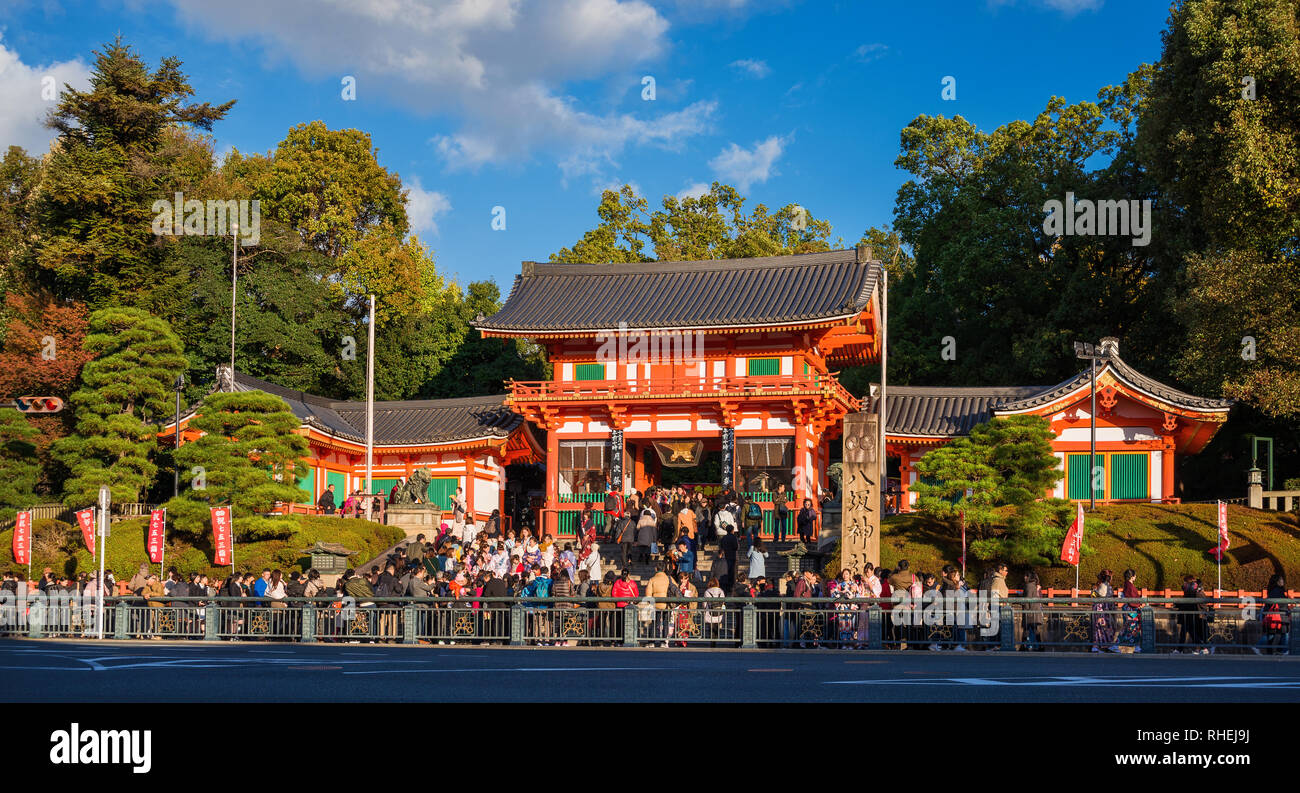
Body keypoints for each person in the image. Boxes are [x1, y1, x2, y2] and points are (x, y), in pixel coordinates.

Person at [1257, 573, 1288, 655]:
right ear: (1277, 581)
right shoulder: (1278, 591)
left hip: (1273, 615)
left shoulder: (1273, 590)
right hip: (1278, 615)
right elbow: (1282, 604)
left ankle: (1273, 651)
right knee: (1282, 634)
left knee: (1273, 634)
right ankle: (1281, 651)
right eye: (1281, 579)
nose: (1283, 581)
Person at [1090, 569, 1118, 653]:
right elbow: (1104, 597)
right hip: (1103, 609)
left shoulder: (1101, 585)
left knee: (1100, 628)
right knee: (1105, 627)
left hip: (1101, 609)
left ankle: (1098, 646)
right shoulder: (1105, 586)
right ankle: (1104, 646)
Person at [1117, 568, 1142, 650]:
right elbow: (1131, 599)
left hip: (1130, 608)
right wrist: (1138, 604)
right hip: (1131, 609)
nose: (1135, 577)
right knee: (1131, 627)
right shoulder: (1129, 586)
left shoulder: (1128, 585)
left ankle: (1136, 646)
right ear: (1132, 576)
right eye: (1135, 575)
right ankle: (1117, 644)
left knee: (1131, 627)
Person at [1022, 570, 1044, 651]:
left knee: (1027, 629)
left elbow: (1027, 599)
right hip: (1034, 610)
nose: (1024, 577)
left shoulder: (1029, 586)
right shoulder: (1034, 585)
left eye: (1026, 576)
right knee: (1033, 629)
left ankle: (1024, 646)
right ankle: (1040, 645)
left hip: (1029, 611)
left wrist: (1021, 603)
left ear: (1029, 577)